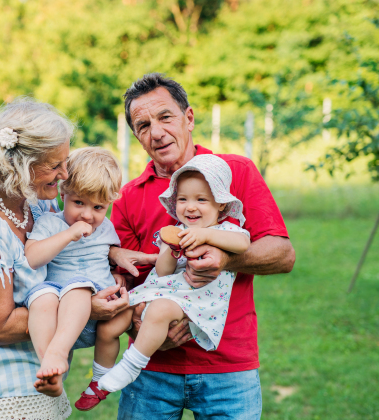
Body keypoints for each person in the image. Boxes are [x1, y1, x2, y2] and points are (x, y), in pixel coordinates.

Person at [0, 98, 153, 420]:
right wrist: (89, 310)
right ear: (21, 165)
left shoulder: (31, 203)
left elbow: (73, 242)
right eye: (55, 166)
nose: (64, 174)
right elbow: (0, 328)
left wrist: (111, 252)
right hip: (8, 389)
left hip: (43, 378)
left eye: (65, 161)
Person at [109, 74, 296, 419]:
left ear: (189, 118)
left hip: (228, 368)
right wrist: (140, 325)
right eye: (143, 125)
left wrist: (224, 258)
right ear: (137, 136)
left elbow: (282, 255)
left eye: (166, 117)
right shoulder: (127, 198)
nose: (157, 132)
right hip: (150, 369)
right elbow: (124, 282)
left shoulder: (234, 172)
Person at [84, 154, 250, 400]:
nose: (190, 207)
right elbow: (162, 271)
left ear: (222, 204)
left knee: (160, 310)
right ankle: (99, 380)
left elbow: (243, 243)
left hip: (196, 301)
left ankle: (130, 366)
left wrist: (206, 236)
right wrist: (171, 250)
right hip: (162, 290)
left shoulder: (227, 231)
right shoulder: (175, 232)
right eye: (182, 199)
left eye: (201, 200)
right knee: (111, 324)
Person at [22, 147, 124, 397]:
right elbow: (33, 258)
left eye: (99, 207)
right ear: (63, 194)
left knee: (80, 287)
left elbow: (108, 257)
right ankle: (51, 368)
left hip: (97, 315)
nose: (87, 215)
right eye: (79, 202)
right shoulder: (50, 223)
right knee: (42, 296)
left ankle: (96, 378)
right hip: (58, 315)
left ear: (109, 203)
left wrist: (117, 273)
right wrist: (68, 234)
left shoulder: (107, 228)